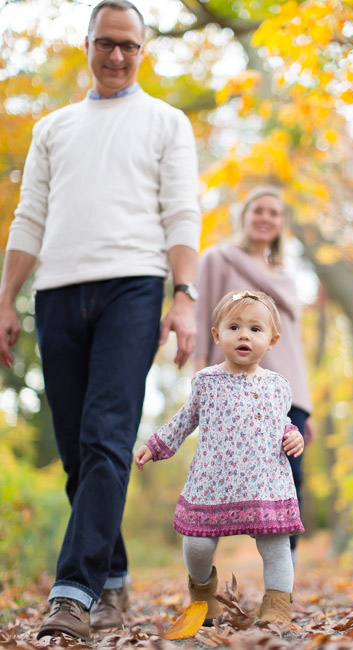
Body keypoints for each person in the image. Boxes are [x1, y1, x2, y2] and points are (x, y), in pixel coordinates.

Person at [0, 0, 200, 640]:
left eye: (129, 46)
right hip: (56, 292)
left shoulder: (167, 123)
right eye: (106, 43)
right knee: (75, 454)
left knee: (107, 436)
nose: (117, 56)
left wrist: (185, 295)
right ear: (86, 45)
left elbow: (181, 213)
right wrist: (6, 297)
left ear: (143, 50)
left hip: (133, 290)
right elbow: (29, 216)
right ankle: (112, 577)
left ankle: (74, 592)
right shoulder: (52, 128)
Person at [134, 289, 305, 628]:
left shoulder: (278, 386)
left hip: (265, 482)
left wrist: (294, 435)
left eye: (256, 329)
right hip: (213, 481)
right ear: (217, 335)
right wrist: (155, 445)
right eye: (235, 327)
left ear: (271, 340)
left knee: (276, 546)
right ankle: (203, 592)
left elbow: (282, 423)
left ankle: (277, 605)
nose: (245, 334)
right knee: (197, 544)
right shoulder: (206, 382)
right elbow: (185, 420)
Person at [194, 187, 314, 562]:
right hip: (236, 388)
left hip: (288, 392)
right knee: (216, 479)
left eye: (274, 213)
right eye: (258, 210)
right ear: (244, 216)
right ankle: (202, 574)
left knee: (291, 481)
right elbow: (203, 322)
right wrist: (200, 381)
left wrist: (305, 405)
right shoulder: (217, 259)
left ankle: (284, 578)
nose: (265, 218)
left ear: (281, 225)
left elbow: (292, 343)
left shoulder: (285, 277)